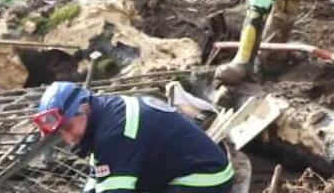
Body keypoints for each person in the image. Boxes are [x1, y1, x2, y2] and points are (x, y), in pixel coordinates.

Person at [32, 81, 233, 193]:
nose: (68, 138)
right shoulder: (103, 117)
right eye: (61, 133)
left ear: (84, 108)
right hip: (181, 173)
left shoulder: (114, 132)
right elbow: (97, 182)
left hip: (205, 181)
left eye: (68, 127)